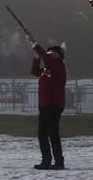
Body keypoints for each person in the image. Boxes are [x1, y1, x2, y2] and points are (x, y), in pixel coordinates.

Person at [27, 32, 67, 170]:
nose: (50, 53)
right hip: (44, 104)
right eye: (49, 52)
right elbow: (34, 71)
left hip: (53, 104)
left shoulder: (58, 66)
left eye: (53, 52)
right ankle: (46, 160)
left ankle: (59, 161)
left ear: (59, 56)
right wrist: (36, 58)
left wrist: (34, 43)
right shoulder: (48, 68)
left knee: (52, 133)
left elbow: (47, 59)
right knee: (42, 134)